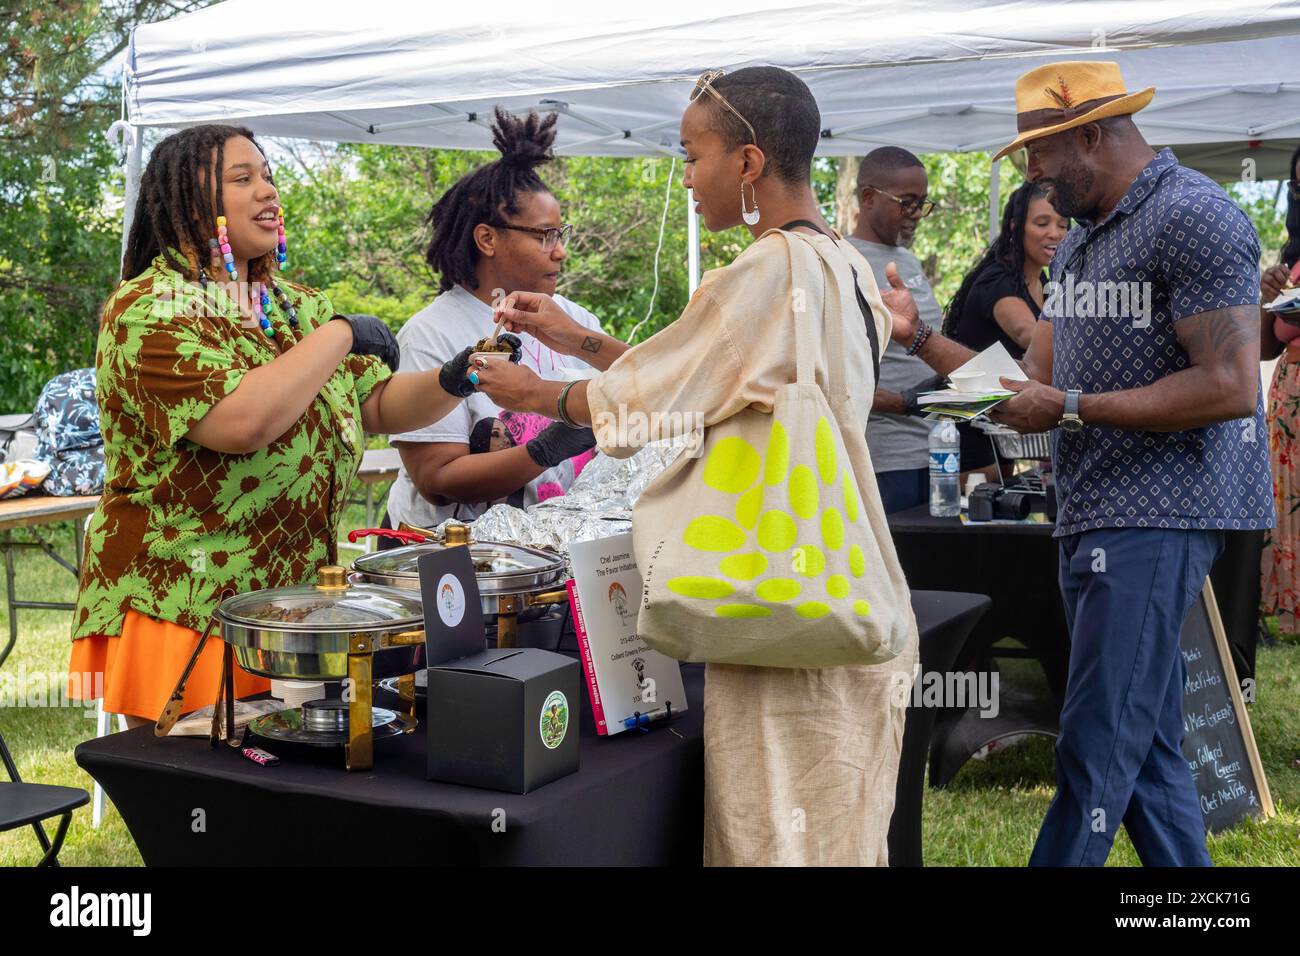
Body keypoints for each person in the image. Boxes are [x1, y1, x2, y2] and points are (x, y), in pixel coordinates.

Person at [474, 67, 919, 866]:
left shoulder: (763, 271)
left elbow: (650, 400)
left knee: (770, 837)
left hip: (779, 598)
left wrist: (538, 388)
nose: (687, 178)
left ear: (747, 164)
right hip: (848, 582)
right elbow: (711, 380)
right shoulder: (844, 268)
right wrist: (579, 340)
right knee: (842, 829)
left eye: (692, 155)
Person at [882, 61, 1272, 866]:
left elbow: (1232, 386)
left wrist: (1069, 409)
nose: (1035, 182)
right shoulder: (1089, 239)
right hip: (1091, 514)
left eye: (1038, 157)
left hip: (1159, 517)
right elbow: (1031, 387)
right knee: (1151, 749)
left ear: (1090, 134)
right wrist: (916, 335)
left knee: (1093, 745)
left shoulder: (1196, 215)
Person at [68, 124, 479, 723]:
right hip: (188, 599)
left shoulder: (292, 305)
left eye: (269, 176)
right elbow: (244, 422)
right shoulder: (148, 308)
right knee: (205, 798)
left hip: (290, 603)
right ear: (188, 203)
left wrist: (457, 378)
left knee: (284, 791)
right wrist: (341, 334)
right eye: (243, 178)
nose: (268, 192)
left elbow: (380, 404)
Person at [383, 109, 600, 539]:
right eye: (544, 236)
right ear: (487, 239)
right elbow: (437, 480)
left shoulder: (576, 322)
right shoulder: (432, 334)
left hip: (556, 562)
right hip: (463, 570)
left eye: (562, 234)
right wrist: (545, 449)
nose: (560, 253)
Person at [940, 181, 1068, 477]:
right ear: (1015, 226)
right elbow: (1030, 335)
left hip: (1001, 423)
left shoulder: (1046, 282)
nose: (1055, 233)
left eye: (1063, 225)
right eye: (1042, 223)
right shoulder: (997, 280)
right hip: (970, 427)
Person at [847, 147, 946, 512]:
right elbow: (825, 375)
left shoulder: (907, 260)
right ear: (869, 198)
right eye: (906, 202)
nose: (916, 214)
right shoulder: (843, 262)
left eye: (922, 203)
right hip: (884, 461)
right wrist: (903, 403)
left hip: (935, 455)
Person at [1259, 145, 1300, 636]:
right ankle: (1286, 610)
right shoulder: (1293, 259)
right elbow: (1267, 348)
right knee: (1287, 502)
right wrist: (1269, 300)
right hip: (1288, 391)